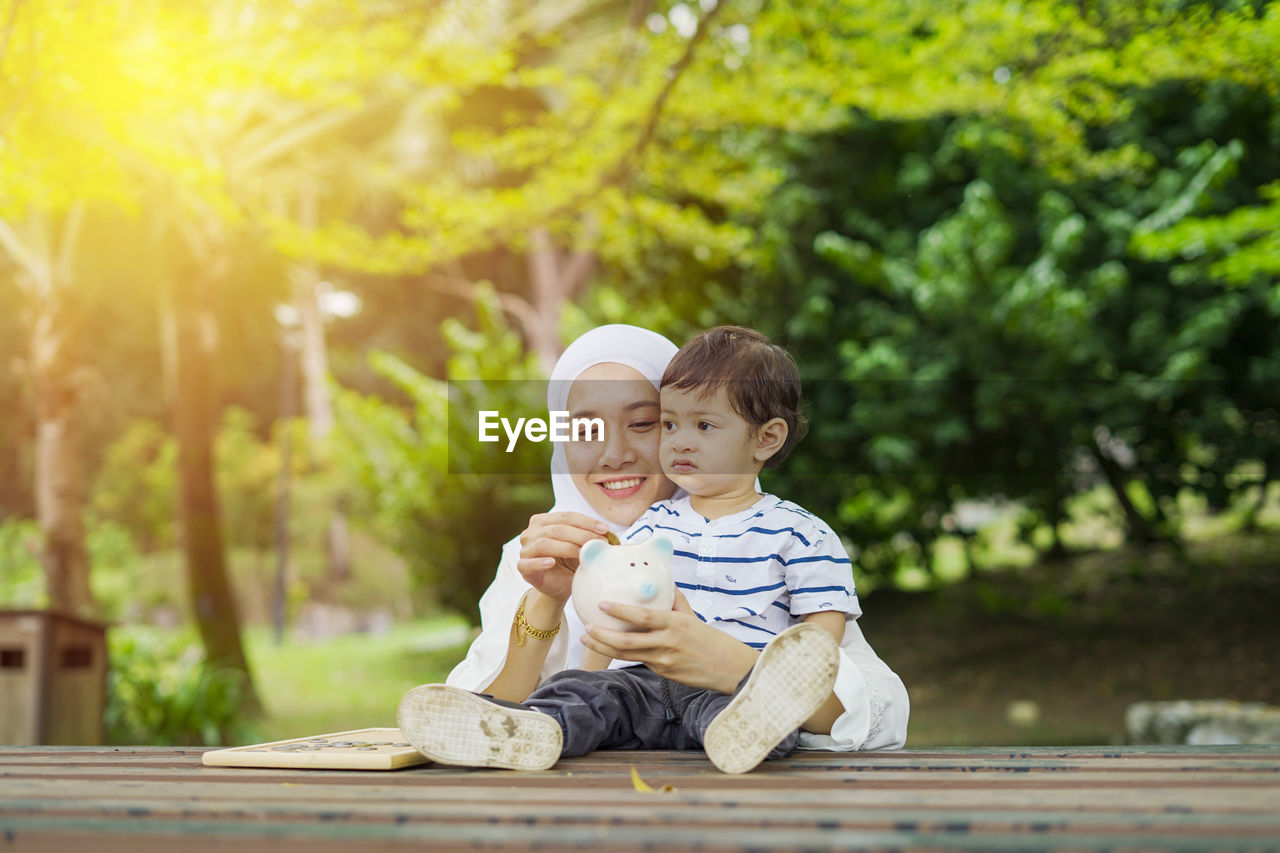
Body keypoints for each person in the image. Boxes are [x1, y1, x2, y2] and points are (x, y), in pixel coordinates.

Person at [407, 324, 907, 765]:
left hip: (730, 790)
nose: (615, 454)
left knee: (734, 720)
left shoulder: (778, 535)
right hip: (589, 807)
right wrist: (549, 598)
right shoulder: (535, 551)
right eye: (584, 430)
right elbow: (489, 700)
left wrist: (732, 664)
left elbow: (870, 708)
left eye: (644, 423)